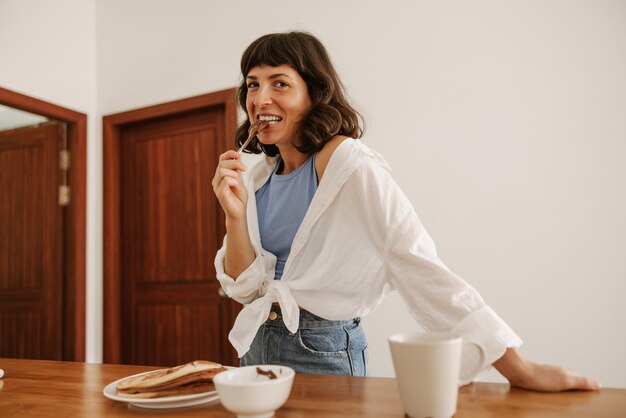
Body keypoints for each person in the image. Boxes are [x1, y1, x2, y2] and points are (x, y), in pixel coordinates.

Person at [212, 31, 600, 391]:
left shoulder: (348, 164)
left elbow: (415, 260)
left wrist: (520, 369)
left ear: (313, 93)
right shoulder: (257, 179)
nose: (260, 99)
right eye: (252, 84)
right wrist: (234, 215)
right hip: (255, 350)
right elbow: (245, 289)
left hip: (321, 352)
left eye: (280, 83)